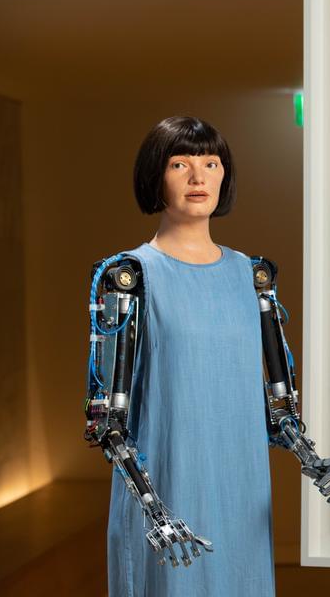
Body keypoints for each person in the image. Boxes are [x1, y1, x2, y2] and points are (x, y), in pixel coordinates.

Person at [104, 116, 276, 595]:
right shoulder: (131, 276)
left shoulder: (251, 275)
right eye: (180, 164)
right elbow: (108, 421)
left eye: (211, 163)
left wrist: (311, 456)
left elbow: (276, 401)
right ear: (155, 176)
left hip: (243, 488)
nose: (198, 177)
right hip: (168, 490)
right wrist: (155, 510)